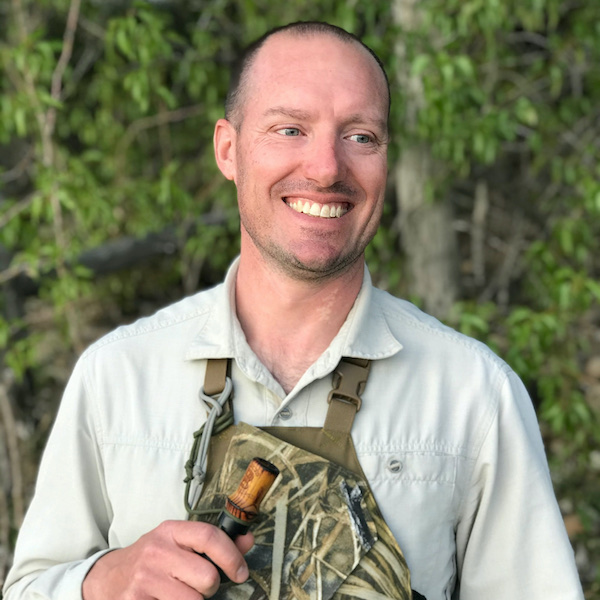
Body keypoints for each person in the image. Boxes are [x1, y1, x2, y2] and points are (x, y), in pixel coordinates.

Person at [3, 21, 584, 600]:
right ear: (228, 150)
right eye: (289, 129)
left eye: (360, 137)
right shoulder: (118, 376)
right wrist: (100, 582)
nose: (327, 168)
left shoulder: (474, 395)